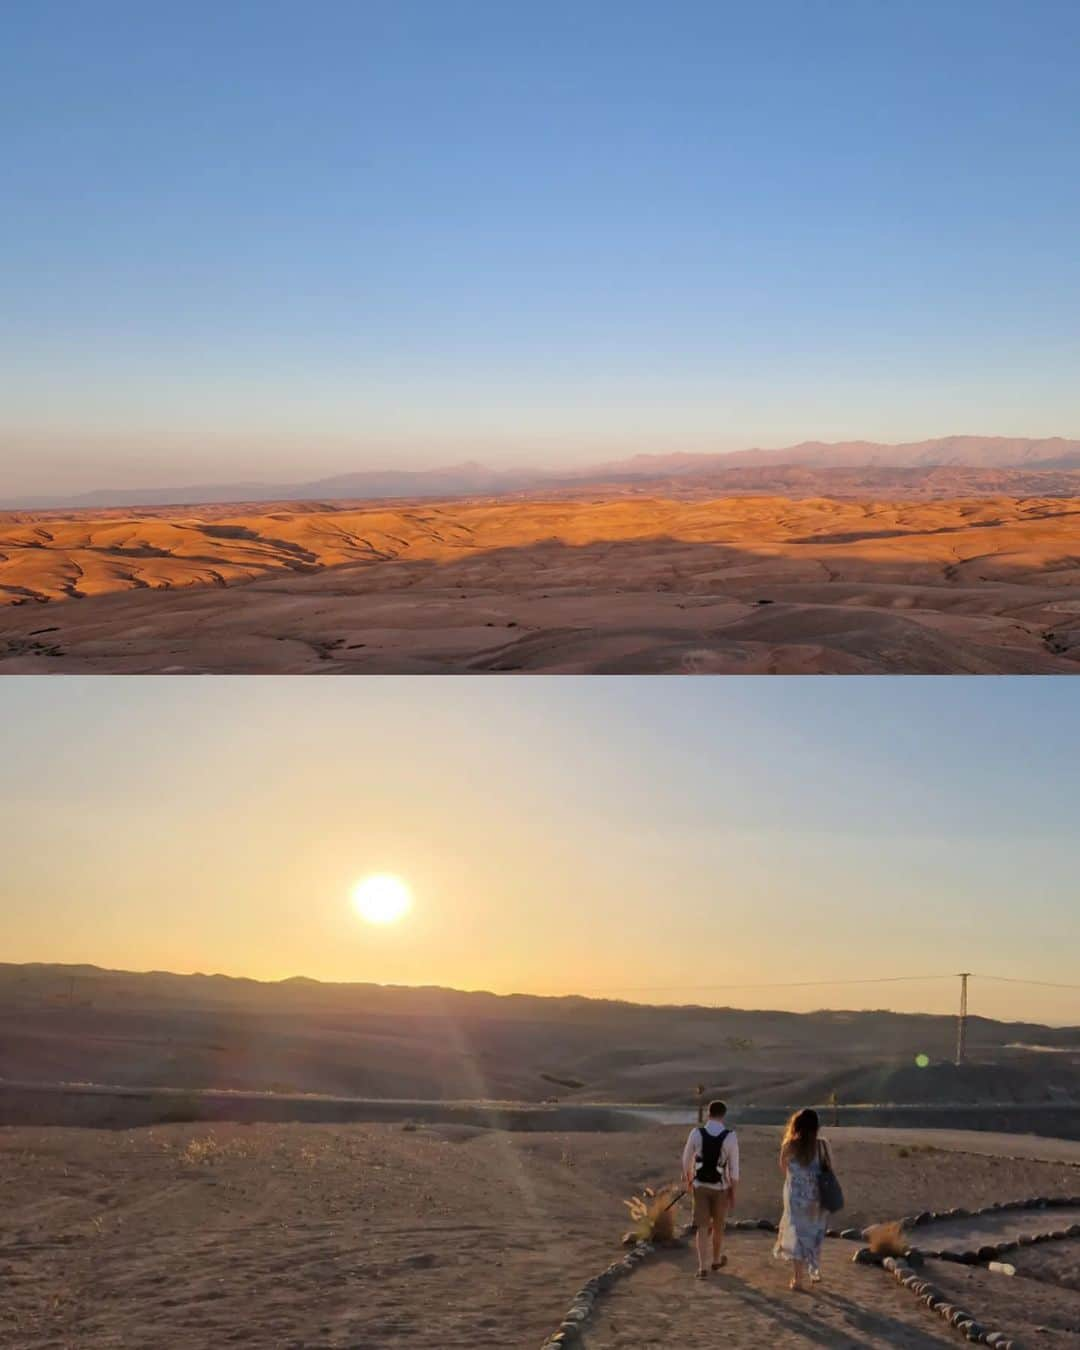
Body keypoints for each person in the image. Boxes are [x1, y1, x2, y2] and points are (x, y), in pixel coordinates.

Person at [682, 1099, 739, 1277]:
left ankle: (702, 1267)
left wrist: (689, 1179)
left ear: (709, 1113)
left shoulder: (696, 1133)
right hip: (720, 1188)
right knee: (718, 1226)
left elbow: (686, 1159)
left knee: (702, 1227)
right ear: (723, 1115)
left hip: (700, 1186)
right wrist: (733, 1192)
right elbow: (734, 1169)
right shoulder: (730, 1136)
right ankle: (715, 1259)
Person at [774, 1107, 829, 1291]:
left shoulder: (789, 1145)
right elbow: (828, 1170)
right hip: (816, 1198)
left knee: (797, 1235)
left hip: (794, 1197)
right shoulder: (821, 1146)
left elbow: (782, 1166)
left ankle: (797, 1278)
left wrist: (797, 1178)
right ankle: (814, 1270)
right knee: (814, 1232)